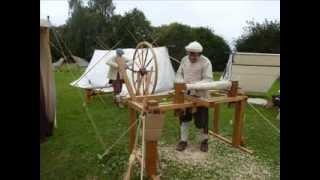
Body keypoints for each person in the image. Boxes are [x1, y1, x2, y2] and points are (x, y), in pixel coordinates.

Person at [175, 41, 213, 152]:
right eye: (190, 54)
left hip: (201, 95)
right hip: (185, 94)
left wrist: (194, 85)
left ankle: (204, 141)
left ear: (199, 54)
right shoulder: (184, 59)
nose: (191, 57)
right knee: (184, 118)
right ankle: (183, 141)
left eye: (194, 55)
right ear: (187, 52)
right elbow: (179, 74)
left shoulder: (206, 62)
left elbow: (208, 79)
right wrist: (182, 83)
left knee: (202, 120)